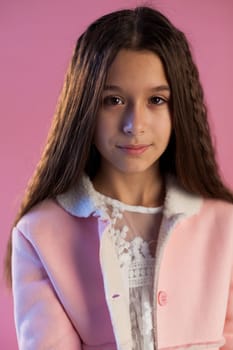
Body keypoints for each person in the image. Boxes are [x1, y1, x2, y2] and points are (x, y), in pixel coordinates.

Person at [4, 5, 233, 350]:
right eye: (113, 100)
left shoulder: (226, 226)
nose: (134, 124)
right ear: (84, 108)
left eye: (156, 99)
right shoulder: (39, 235)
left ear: (179, 108)